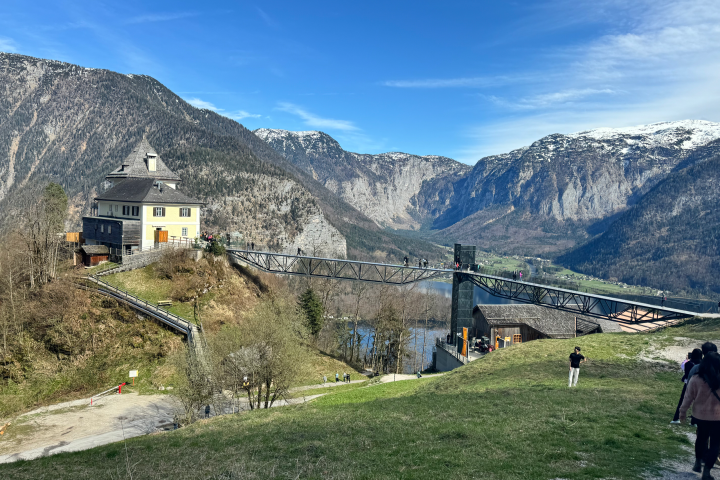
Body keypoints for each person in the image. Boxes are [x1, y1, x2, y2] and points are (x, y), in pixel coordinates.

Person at [679, 352, 720, 478]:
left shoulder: (696, 379)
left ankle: (697, 461)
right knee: (715, 444)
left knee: (701, 439)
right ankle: (707, 471)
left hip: (700, 415)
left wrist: (682, 412)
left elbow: (688, 397)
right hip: (717, 417)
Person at [672, 349, 703, 423]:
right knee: (697, 402)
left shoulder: (688, 364)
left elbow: (682, 366)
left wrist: (686, 359)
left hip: (688, 384)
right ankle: (694, 421)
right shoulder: (702, 365)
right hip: (698, 385)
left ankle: (676, 418)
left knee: (682, 401)